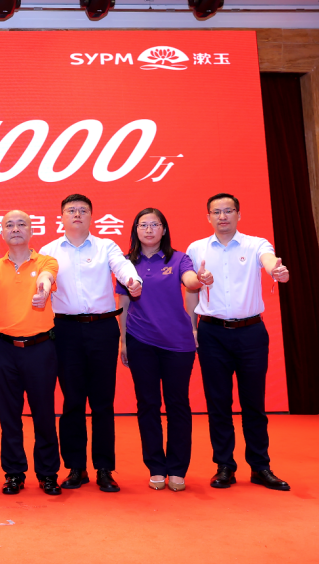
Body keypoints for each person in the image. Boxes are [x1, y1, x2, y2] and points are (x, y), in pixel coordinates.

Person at [187, 193, 291, 491]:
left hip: (250, 333)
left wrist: (276, 270)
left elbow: (269, 261)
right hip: (212, 333)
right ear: (208, 217)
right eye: (216, 212)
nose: (223, 216)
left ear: (238, 214)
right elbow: (191, 290)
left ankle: (260, 466)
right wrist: (191, 328)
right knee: (218, 402)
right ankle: (224, 466)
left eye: (228, 211)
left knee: (253, 403)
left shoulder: (255, 244)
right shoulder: (196, 248)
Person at [40, 194, 141, 493]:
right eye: (71, 210)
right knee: (72, 400)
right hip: (66, 331)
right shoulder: (49, 251)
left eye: (83, 210)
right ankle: (76, 467)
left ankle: (104, 468)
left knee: (102, 401)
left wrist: (133, 281)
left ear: (91, 216)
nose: (77, 214)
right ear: (61, 216)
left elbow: (122, 266)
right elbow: (44, 276)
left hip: (102, 329)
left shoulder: (105, 246)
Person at [116, 208, 202, 492]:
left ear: (164, 229)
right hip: (141, 341)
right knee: (148, 404)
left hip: (178, 342)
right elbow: (123, 303)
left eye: (155, 225)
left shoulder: (178, 258)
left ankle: (177, 468)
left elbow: (190, 281)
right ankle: (155, 466)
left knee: (178, 404)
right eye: (143, 225)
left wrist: (199, 279)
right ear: (136, 230)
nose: (149, 230)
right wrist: (123, 340)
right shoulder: (127, 263)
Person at [0, 210, 62, 496]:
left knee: (44, 413)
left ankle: (48, 473)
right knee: (9, 416)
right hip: (5, 349)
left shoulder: (45, 261)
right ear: (2, 232)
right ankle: (14, 473)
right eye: (9, 225)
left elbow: (47, 277)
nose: (15, 229)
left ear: (31, 230)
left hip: (41, 348)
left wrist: (43, 289)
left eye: (21, 224)